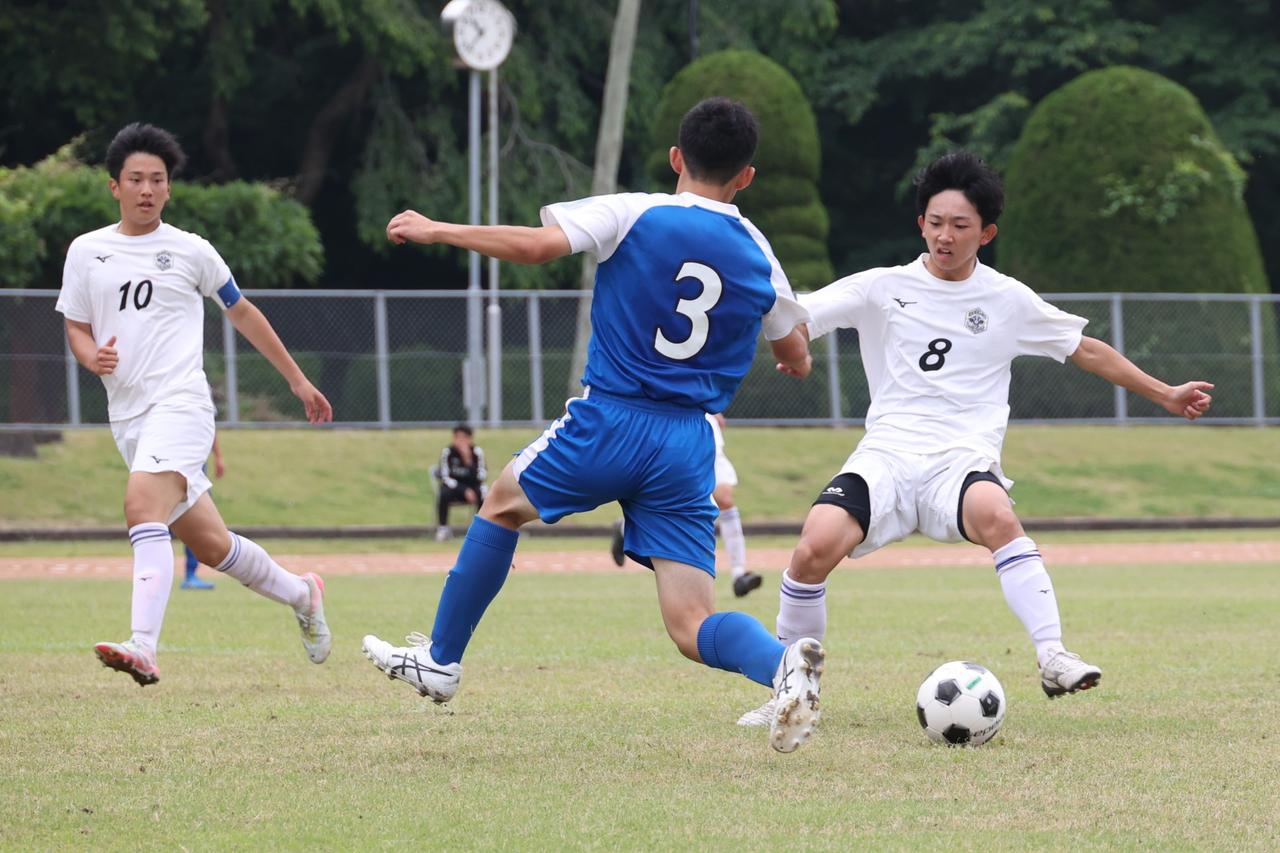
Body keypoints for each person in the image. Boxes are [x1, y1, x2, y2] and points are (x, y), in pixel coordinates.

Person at [362, 98, 825, 753]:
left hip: (612, 416)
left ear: (675, 157)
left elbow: (537, 245)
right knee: (692, 622)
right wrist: (783, 349)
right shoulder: (757, 249)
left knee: (499, 504)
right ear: (746, 176)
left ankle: (441, 658)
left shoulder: (634, 210)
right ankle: (783, 667)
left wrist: (439, 229)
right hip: (688, 440)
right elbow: (796, 354)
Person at [736, 151, 1214, 726]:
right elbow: (801, 316)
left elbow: (1085, 350)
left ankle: (1053, 657)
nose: (945, 236)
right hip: (886, 456)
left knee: (998, 515)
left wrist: (1163, 393)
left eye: (960, 226)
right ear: (920, 225)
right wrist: (789, 339)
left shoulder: (1007, 299)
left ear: (986, 233)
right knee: (813, 546)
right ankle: (792, 694)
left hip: (958, 461)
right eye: (935, 222)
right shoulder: (881, 287)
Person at [57, 122, 335, 687]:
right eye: (135, 179)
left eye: (157, 180)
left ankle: (143, 645)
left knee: (141, 507)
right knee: (212, 546)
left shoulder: (191, 251)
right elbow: (77, 327)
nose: (146, 189)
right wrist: (91, 359)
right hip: (128, 418)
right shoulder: (87, 252)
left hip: (182, 404)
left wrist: (299, 382)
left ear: (168, 188)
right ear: (114, 186)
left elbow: (243, 312)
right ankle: (302, 593)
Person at [608, 412, 762, 599]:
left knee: (725, 498)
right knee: (670, 503)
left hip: (703, 424)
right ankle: (625, 529)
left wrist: (712, 407)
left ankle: (739, 574)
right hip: (674, 425)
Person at [179, 432, 224, 590]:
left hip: (195, 463)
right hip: (179, 461)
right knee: (190, 520)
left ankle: (191, 574)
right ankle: (189, 575)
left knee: (194, 523)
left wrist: (218, 456)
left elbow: (209, 426)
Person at [434, 425, 487, 542]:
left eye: (464, 438)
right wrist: (464, 490)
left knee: (483, 492)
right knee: (443, 493)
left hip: (473, 488)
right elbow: (444, 476)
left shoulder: (476, 452)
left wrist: (467, 460)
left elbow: (482, 475)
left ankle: (481, 530)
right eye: (457, 437)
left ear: (470, 439)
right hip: (455, 489)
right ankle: (443, 529)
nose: (460, 441)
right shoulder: (448, 452)